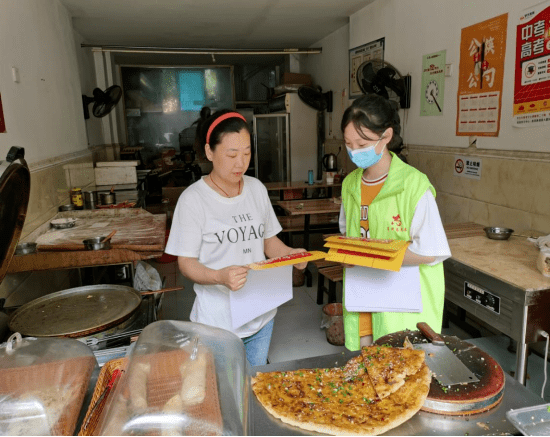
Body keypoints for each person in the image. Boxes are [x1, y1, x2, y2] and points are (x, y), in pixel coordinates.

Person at [165, 109, 307, 366]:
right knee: (222, 394)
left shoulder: (256, 189)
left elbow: (268, 242)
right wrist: (219, 276)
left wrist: (290, 255)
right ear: (209, 152)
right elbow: (185, 263)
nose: (240, 163)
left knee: (253, 389)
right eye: (231, 154)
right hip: (216, 324)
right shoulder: (193, 199)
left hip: (260, 317)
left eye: (246, 153)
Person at [338, 94, 451, 351]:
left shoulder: (414, 185)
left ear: (386, 136)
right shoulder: (350, 184)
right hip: (363, 298)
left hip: (402, 308)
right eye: (348, 143)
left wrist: (371, 255)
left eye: (362, 143)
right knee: (367, 371)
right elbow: (348, 234)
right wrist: (345, 251)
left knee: (399, 380)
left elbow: (429, 250)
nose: (355, 151)